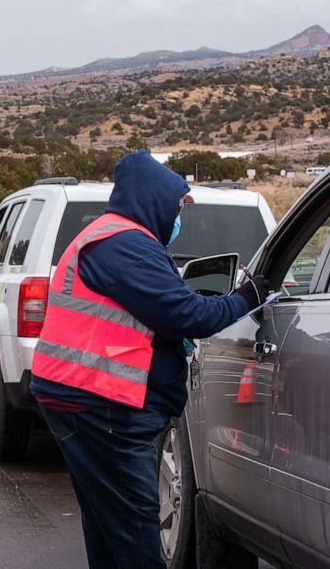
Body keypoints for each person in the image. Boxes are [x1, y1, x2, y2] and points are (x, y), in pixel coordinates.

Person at [29, 150, 270, 568]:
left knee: (107, 522)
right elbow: (187, 315)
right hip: (104, 407)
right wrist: (245, 299)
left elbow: (152, 312)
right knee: (136, 529)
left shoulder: (110, 237)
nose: (178, 218)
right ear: (154, 201)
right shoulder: (126, 246)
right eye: (176, 207)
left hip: (80, 397)